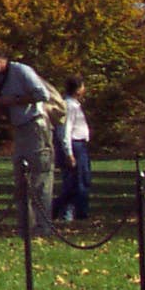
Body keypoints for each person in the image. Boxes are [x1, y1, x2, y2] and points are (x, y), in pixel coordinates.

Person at [0, 45, 54, 231]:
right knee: (21, 179)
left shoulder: (21, 70)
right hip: (19, 129)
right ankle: (26, 226)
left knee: (39, 177)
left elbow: (43, 94)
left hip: (35, 126)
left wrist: (13, 100)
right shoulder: (0, 79)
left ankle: (44, 227)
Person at [52, 75, 93, 222]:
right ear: (78, 89)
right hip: (75, 146)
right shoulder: (68, 106)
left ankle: (68, 213)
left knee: (80, 181)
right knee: (78, 183)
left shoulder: (75, 105)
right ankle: (65, 211)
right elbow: (65, 130)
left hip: (80, 145)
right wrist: (68, 153)